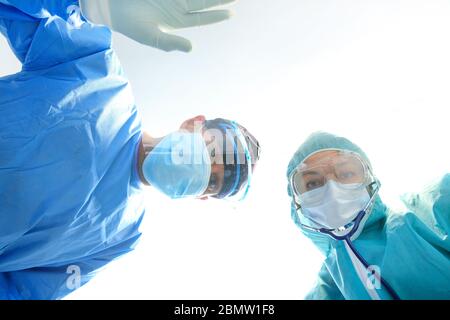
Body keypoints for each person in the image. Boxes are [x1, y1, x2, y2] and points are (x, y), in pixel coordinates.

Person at [0, 0, 260, 299]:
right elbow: (19, 9)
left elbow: (24, 291)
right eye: (215, 151)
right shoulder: (98, 72)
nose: (207, 168)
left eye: (214, 182)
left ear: (201, 196)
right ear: (194, 123)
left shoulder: (120, 237)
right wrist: (88, 5)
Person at [286, 132, 450, 300]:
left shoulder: (433, 207)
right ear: (297, 203)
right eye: (313, 183)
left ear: (370, 181)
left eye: (346, 174)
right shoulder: (327, 290)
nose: (332, 189)